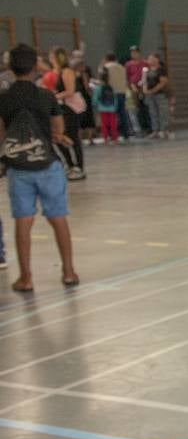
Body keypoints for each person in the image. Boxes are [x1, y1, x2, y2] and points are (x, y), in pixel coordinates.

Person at [0, 44, 79, 291]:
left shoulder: (3, 98)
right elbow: (58, 129)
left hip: (18, 168)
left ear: (10, 68)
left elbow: (1, 133)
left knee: (23, 221)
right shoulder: (46, 96)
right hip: (47, 165)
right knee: (58, 218)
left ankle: (26, 278)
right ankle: (68, 272)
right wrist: (55, 135)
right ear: (36, 67)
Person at [48, 48, 86, 179]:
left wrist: (54, 96)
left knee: (72, 137)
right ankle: (69, 165)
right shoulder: (56, 72)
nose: (50, 59)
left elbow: (70, 90)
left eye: (52, 56)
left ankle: (79, 167)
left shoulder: (67, 71)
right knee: (59, 137)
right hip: (60, 107)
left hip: (70, 108)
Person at [140, 53, 173, 139]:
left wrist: (152, 90)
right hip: (150, 95)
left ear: (157, 60)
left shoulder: (161, 70)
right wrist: (145, 90)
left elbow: (163, 82)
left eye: (152, 59)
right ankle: (155, 130)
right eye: (149, 59)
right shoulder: (146, 70)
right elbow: (144, 81)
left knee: (162, 112)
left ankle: (164, 130)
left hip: (160, 94)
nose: (150, 60)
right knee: (152, 112)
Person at [93, 67, 119, 144]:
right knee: (113, 123)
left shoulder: (98, 87)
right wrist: (115, 106)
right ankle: (114, 137)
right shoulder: (111, 86)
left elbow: (95, 98)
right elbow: (115, 97)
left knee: (104, 124)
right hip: (112, 108)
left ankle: (105, 137)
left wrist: (94, 105)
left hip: (102, 108)